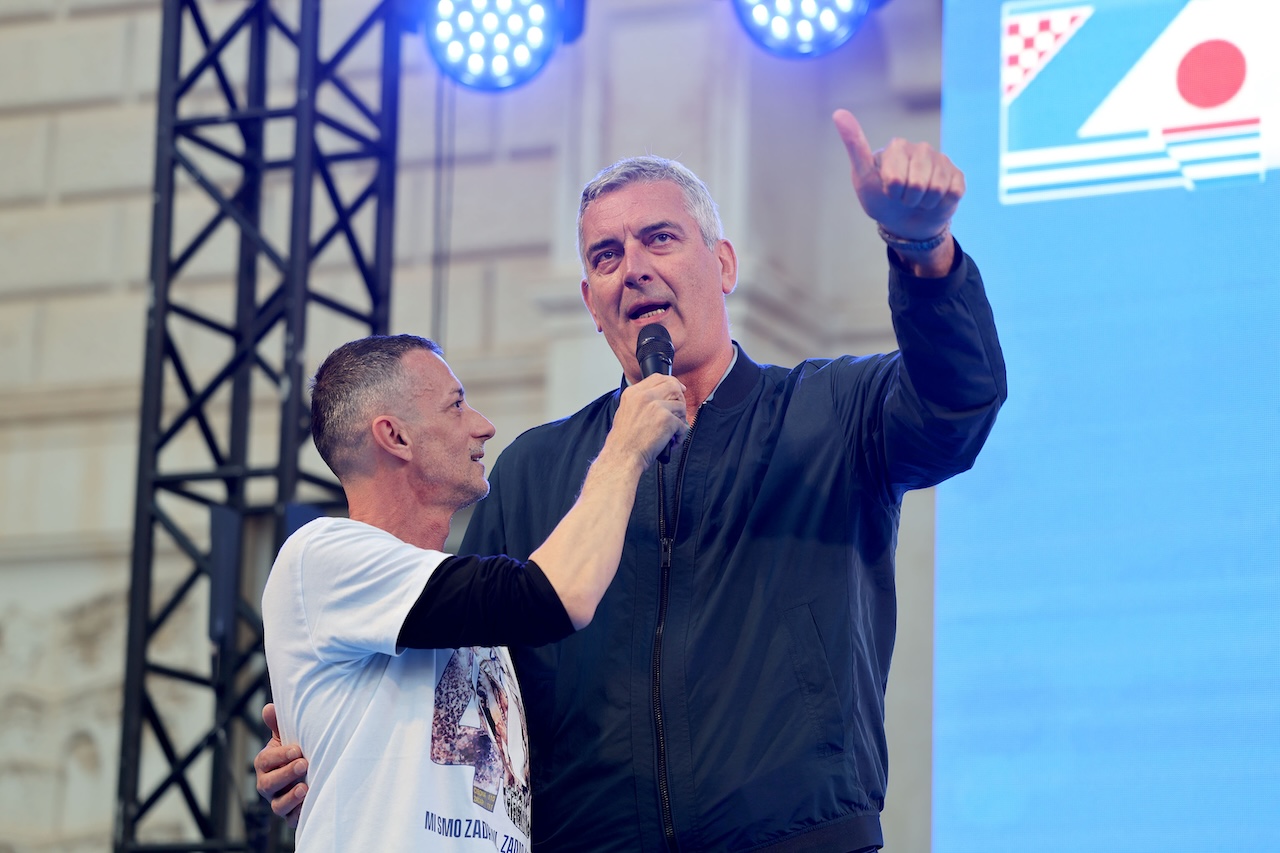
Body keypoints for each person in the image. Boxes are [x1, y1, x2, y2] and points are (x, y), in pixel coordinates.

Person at [257, 109, 1007, 852]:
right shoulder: (536, 469)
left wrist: (924, 253)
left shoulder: (830, 411)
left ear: (724, 265)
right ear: (591, 302)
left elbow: (956, 404)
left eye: (660, 238)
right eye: (606, 255)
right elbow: (469, 678)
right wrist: (328, 736)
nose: (635, 267)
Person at [260, 334, 686, 851]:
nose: (484, 425)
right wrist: (625, 450)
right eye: (456, 405)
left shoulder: (458, 616)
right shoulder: (321, 554)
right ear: (395, 436)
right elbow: (553, 597)